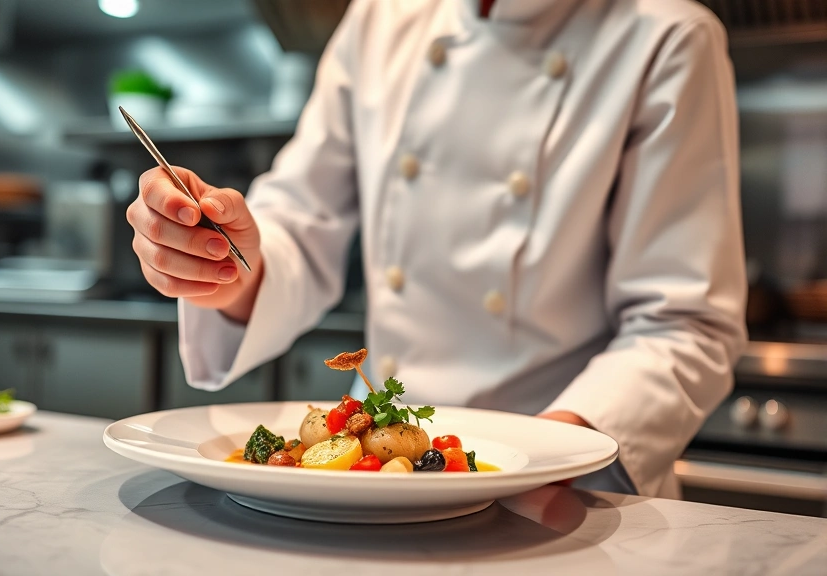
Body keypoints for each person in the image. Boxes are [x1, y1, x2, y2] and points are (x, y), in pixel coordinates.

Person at [125, 0, 747, 498]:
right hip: (368, 494)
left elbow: (683, 321)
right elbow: (299, 224)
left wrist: (545, 461)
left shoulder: (666, 36)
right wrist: (222, 265)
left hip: (564, 492)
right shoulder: (380, 18)